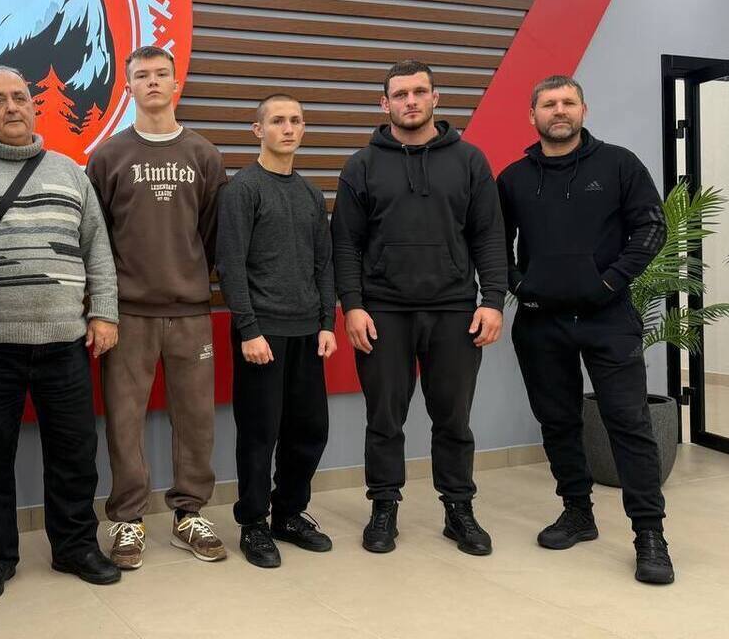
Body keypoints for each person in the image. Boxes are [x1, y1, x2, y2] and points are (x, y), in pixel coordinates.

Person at [497, 75, 674, 585]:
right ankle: (577, 512)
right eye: (549, 103)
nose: (559, 110)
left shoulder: (619, 164)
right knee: (557, 422)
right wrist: (519, 285)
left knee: (629, 423)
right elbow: (491, 242)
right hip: (540, 321)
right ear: (532, 115)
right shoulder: (513, 178)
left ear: (583, 110)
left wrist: (610, 282)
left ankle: (649, 534)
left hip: (608, 319)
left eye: (568, 102)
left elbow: (652, 227)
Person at [0, 65, 121, 602]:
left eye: (19, 97)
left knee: (74, 453)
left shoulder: (70, 172)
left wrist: (105, 313)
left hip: (65, 340)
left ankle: (75, 547)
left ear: (33, 104)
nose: (12, 107)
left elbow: (97, 247)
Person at [330, 59, 506, 557]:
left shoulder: (469, 161)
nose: (411, 101)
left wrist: (493, 300)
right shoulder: (361, 166)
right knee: (384, 419)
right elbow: (345, 243)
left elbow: (489, 235)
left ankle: (459, 510)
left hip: (454, 310)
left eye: (419, 92)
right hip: (383, 312)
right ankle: (384, 507)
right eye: (400, 94)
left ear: (435, 98)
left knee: (453, 418)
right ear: (384, 103)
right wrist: (352, 306)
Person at [86, 45, 228, 569]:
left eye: (161, 74)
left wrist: (188, 278)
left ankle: (189, 513)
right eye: (141, 75)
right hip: (128, 313)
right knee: (124, 420)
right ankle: (127, 519)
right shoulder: (108, 156)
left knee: (196, 419)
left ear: (175, 83)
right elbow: (96, 238)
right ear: (128, 87)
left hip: (190, 310)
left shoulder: (203, 155)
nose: (152, 82)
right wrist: (103, 306)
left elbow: (211, 233)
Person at [216, 93, 338, 568]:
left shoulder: (310, 194)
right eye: (278, 121)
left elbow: (323, 263)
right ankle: (253, 523)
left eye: (296, 121)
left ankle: (288, 513)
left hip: (308, 333)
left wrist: (327, 323)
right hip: (261, 334)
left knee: (309, 430)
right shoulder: (243, 190)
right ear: (258, 130)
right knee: (259, 434)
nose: (288, 129)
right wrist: (248, 329)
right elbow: (230, 265)